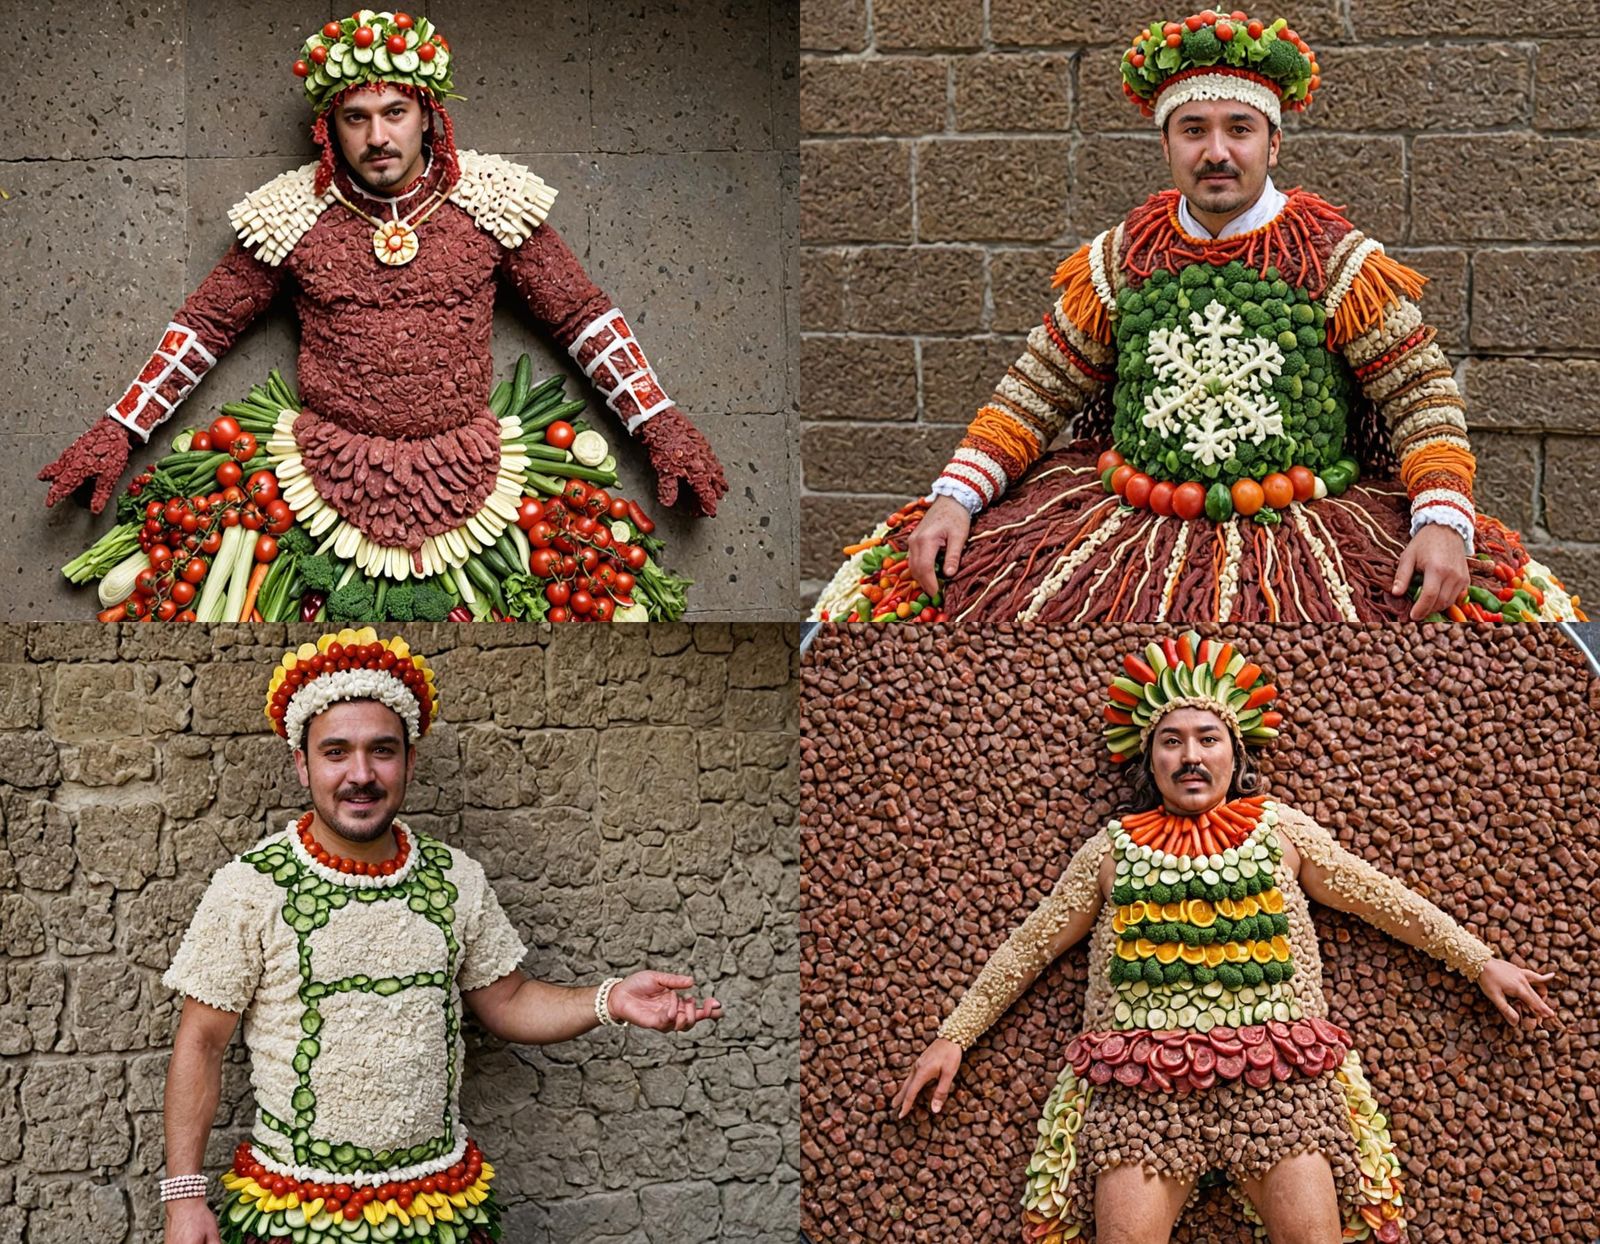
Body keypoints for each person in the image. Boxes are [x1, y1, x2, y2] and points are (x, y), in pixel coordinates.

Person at [812, 9, 1583, 625]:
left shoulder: (1336, 263)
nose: (1217, 151)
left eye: (1238, 130)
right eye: (1195, 130)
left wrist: (1442, 520)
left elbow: (1421, 399)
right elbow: (1035, 388)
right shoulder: (1122, 260)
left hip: (1309, 525)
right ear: (1167, 144)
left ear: (1272, 142)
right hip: (1125, 519)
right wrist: (955, 498)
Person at [891, 632, 1558, 1243]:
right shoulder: (1111, 852)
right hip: (1140, 1093)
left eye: (1207, 738)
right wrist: (955, 1036)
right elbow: (1030, 946)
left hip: (1278, 1086)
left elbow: (1384, 900)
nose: (1189, 756)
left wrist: (1479, 962)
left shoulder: (1281, 832)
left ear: (1235, 753)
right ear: (1148, 759)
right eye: (1171, 740)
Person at [41, 10, 726, 604]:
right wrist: (121, 428)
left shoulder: (491, 201)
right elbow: (206, 326)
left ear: (428, 115)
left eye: (394, 112)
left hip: (477, 475)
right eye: (356, 118)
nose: (377, 137)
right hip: (320, 476)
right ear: (328, 129)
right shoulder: (291, 215)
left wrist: (658, 420)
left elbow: (579, 315)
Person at [158, 627, 722, 1244]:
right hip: (297, 1211)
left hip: (436, 1209)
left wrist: (608, 1000)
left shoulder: (456, 880)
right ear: (302, 764)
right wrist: (184, 1199)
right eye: (336, 752)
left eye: (383, 751)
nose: (361, 774)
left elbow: (507, 1001)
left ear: (410, 760)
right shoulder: (249, 887)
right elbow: (202, 1045)